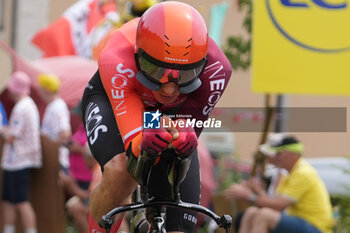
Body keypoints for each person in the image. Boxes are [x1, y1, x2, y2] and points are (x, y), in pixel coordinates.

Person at [81, 1, 232, 233]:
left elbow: (182, 133)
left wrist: (180, 132)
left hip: (168, 113)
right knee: (120, 174)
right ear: (138, 56)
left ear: (202, 66)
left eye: (185, 76)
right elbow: (135, 148)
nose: (169, 90)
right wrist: (147, 135)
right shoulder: (116, 56)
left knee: (178, 222)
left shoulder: (217, 71)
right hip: (116, 100)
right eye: (155, 71)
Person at [224, 133, 334, 233]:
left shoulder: (303, 173)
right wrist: (258, 191)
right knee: (251, 212)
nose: (272, 158)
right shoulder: (290, 174)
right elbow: (272, 203)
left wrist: (248, 196)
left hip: (316, 227)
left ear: (292, 153)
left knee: (264, 216)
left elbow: (278, 206)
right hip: (301, 223)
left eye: (278, 153)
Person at [1, 71, 42, 233]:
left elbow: (12, 137)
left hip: (18, 160)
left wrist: (3, 130)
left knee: (20, 201)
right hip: (19, 160)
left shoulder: (21, 107)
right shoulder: (29, 104)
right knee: (9, 200)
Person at [38, 73, 72, 172]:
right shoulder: (53, 105)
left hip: (57, 160)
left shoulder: (58, 106)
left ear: (47, 89)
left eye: (41, 88)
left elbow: (65, 133)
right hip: (54, 158)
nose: (39, 91)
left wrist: (51, 148)